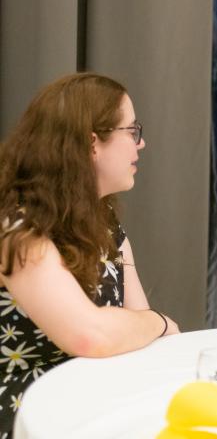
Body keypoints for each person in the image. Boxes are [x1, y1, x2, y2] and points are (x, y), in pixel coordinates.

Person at [0, 73, 179, 435]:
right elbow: (90, 335)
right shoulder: (15, 227)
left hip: (95, 397)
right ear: (92, 143)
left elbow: (138, 325)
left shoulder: (104, 218)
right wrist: (159, 321)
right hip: (29, 411)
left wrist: (147, 325)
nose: (140, 144)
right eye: (132, 131)